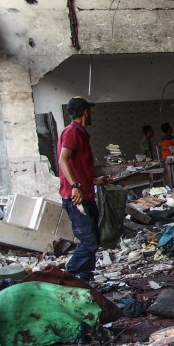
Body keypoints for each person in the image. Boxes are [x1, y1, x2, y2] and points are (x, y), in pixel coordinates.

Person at [56, 98, 114, 280]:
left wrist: (95, 181)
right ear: (86, 112)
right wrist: (75, 186)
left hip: (85, 195)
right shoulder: (72, 132)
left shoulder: (80, 133)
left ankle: (84, 279)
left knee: (93, 239)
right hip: (76, 199)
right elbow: (63, 159)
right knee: (89, 241)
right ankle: (66, 278)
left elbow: (78, 166)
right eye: (90, 110)